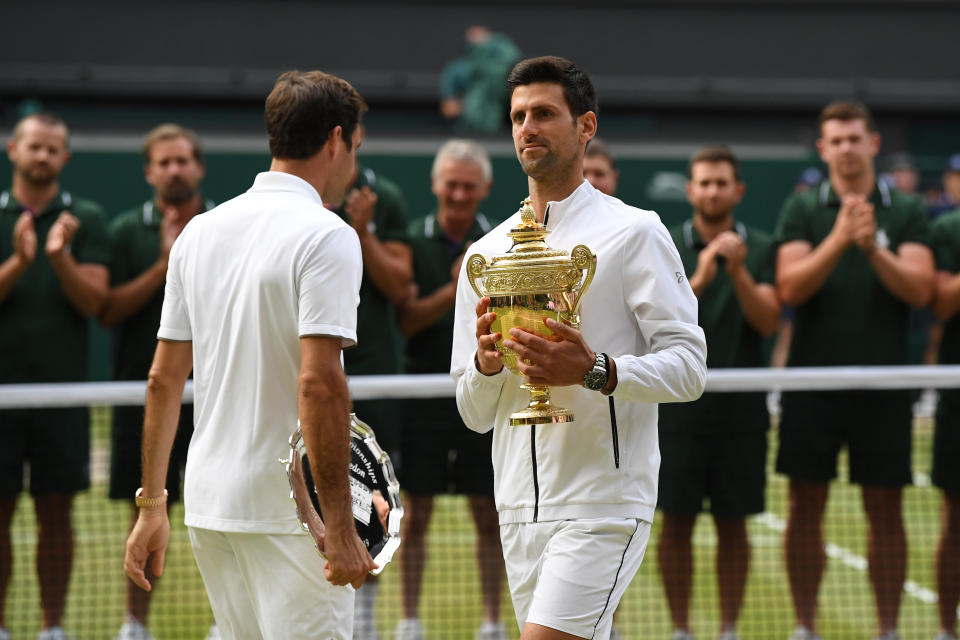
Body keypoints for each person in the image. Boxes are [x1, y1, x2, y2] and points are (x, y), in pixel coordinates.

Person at [451, 56, 707, 640]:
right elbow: (472, 412)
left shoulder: (635, 232)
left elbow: (690, 368)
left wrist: (595, 370)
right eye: (518, 117)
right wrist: (487, 367)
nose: (527, 128)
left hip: (603, 506)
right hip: (516, 510)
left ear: (586, 126)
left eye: (544, 113)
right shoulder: (485, 255)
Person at [122, 70, 377, 639]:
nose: (354, 162)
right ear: (337, 139)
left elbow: (163, 379)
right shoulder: (328, 234)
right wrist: (338, 524)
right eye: (356, 147)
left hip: (210, 505)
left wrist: (152, 505)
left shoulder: (198, 233)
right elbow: (318, 384)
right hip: (290, 516)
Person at [774, 100, 935, 640]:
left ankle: (888, 629)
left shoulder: (907, 209)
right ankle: (804, 627)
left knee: (886, 506)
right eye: (835, 140)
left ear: (873, 143)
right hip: (811, 383)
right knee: (805, 503)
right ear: (823, 149)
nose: (846, 148)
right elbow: (791, 289)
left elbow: (921, 291)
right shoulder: (801, 210)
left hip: (885, 384)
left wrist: (872, 248)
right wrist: (841, 237)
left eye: (854, 138)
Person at [658, 146, 780, 640]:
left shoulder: (764, 246)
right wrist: (704, 273)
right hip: (677, 413)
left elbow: (769, 320)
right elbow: (657, 324)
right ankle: (682, 629)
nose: (712, 191)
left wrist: (738, 271)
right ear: (690, 190)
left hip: (742, 413)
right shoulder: (663, 244)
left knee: (734, 526)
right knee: (677, 525)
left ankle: (728, 629)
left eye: (721, 182)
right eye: (704, 182)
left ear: (738, 191)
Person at [99, 123, 215, 640]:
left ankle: (226, 624)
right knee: (146, 512)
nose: (174, 170)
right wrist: (167, 264)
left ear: (199, 167)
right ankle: (135, 626)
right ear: (148, 171)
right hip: (148, 398)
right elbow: (109, 309)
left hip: (215, 396)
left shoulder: (223, 227)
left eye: (183, 160)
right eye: (164, 162)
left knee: (220, 511)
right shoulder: (125, 231)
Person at [0, 112, 110, 640]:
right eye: (34, 147)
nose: (42, 156)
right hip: (2, 398)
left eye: (53, 149)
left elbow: (94, 302)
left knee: (58, 517)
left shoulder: (84, 216)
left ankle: (52, 629)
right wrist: (19, 262)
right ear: (13, 150)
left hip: (61, 397)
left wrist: (57, 256)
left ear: (65, 158)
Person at [394, 139, 506, 640]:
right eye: (452, 184)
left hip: (485, 394)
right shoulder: (411, 240)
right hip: (424, 401)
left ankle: (491, 622)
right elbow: (408, 320)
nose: (459, 195)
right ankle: (410, 621)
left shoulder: (504, 242)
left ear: (484, 188)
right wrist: (457, 285)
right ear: (437, 185)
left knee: (489, 513)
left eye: (469, 185)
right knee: (414, 514)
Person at [324, 131, 412, 640]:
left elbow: (399, 285)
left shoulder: (387, 199)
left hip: (373, 378)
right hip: (307, 373)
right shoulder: (301, 194)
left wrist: (362, 231)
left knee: (370, 503)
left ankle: (364, 621)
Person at [929, 207, 960, 640]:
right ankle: (945, 630)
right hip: (956, 394)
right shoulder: (947, 230)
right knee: (955, 518)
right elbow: (939, 301)